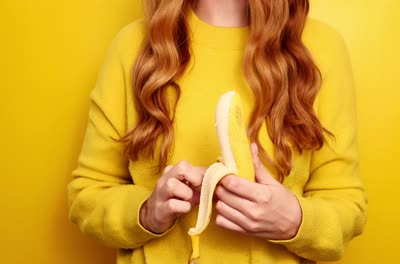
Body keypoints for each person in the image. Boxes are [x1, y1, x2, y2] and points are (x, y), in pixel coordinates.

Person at [67, 0, 368, 263]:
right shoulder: (133, 47)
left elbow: (347, 207)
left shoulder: (320, 49)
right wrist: (147, 212)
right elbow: (88, 196)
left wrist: (294, 220)